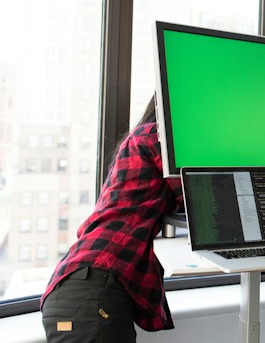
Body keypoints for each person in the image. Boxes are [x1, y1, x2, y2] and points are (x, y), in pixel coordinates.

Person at [41, 96, 183, 342]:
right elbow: (198, 199)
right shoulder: (157, 135)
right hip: (91, 291)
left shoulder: (140, 140)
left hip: (82, 288)